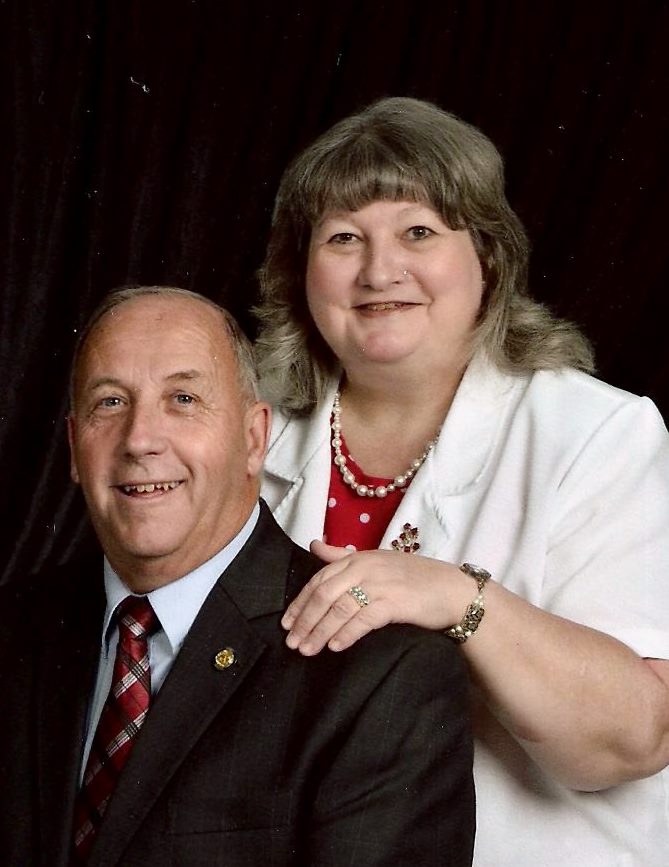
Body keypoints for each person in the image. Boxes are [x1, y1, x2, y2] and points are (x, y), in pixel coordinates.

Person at [255, 97, 669, 866]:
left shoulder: (595, 433)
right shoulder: (252, 431)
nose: (379, 270)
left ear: (488, 256)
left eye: (418, 231)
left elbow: (634, 739)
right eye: (343, 237)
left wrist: (458, 599)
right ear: (298, 268)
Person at [0, 286, 476, 866]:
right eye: (110, 402)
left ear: (254, 439)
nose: (140, 439)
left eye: (183, 399)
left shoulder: (382, 673)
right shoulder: (14, 630)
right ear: (75, 447)